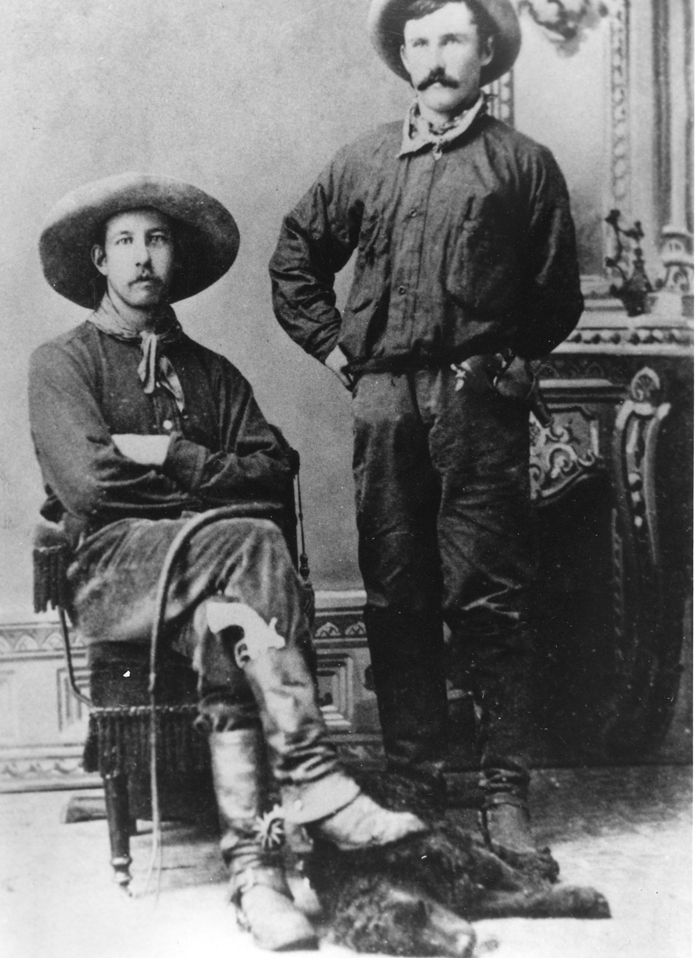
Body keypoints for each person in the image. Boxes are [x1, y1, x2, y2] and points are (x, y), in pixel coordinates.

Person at [28, 173, 426, 951]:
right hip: (118, 571)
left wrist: (171, 453)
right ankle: (312, 779)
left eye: (157, 238)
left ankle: (256, 875)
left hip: (216, 579)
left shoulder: (210, 372)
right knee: (251, 539)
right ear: (99, 262)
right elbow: (88, 482)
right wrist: (208, 480)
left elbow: (273, 465)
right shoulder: (62, 363)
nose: (143, 257)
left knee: (230, 622)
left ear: (175, 257)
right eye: (125, 242)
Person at [270, 0, 583, 871]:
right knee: (398, 593)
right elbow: (296, 262)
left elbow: (553, 294)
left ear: (485, 51)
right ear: (402, 58)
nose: (434, 57)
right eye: (419, 42)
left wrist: (498, 368)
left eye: (451, 39)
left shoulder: (521, 166)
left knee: (489, 599)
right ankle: (413, 784)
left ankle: (503, 796)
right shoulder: (363, 160)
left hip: (477, 403)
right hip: (385, 406)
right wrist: (342, 355)